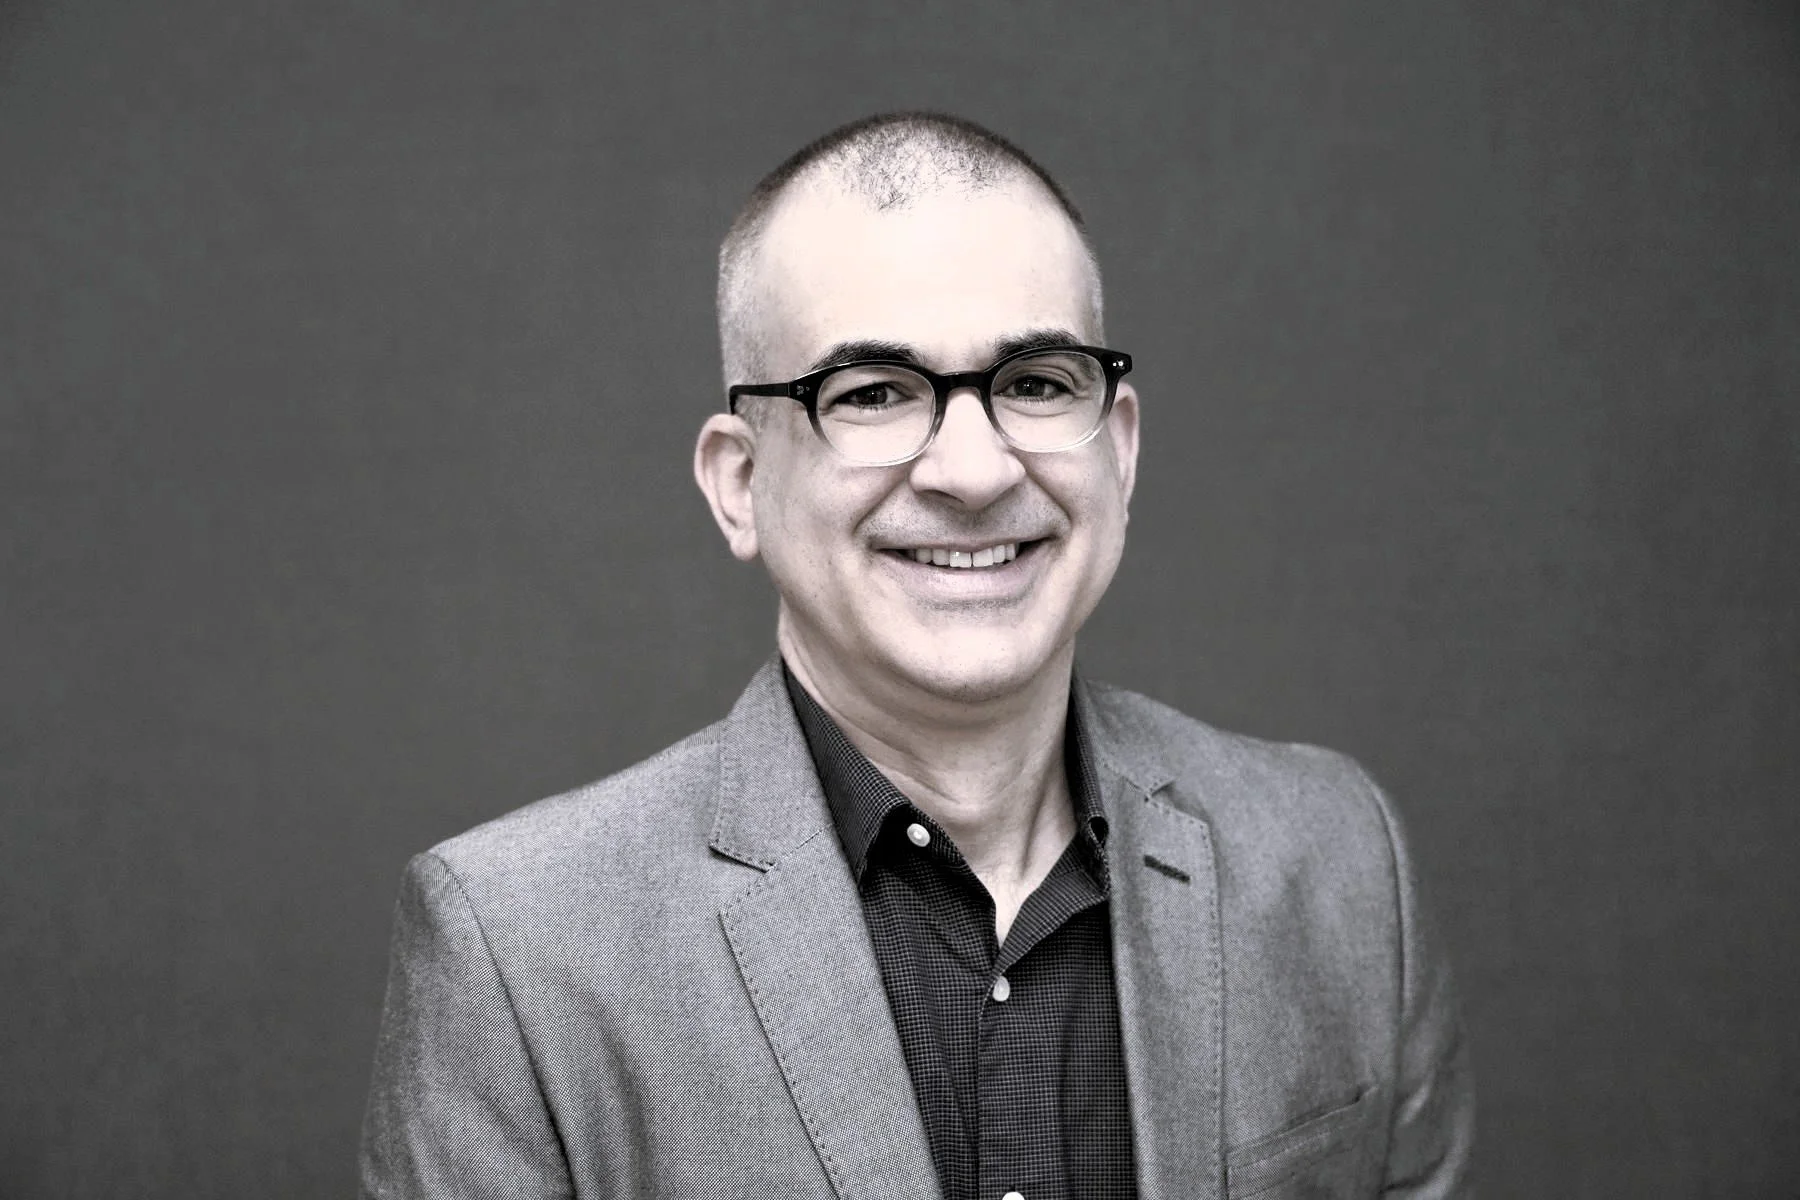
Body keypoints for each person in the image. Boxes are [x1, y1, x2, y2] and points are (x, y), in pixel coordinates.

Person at [360, 112, 1476, 1200]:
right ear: (740, 485)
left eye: (1035, 383)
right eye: (875, 395)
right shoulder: (520, 951)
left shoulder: (1341, 865)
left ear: (1122, 451)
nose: (974, 472)